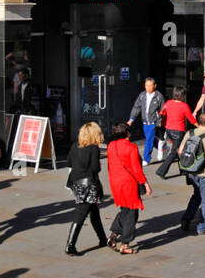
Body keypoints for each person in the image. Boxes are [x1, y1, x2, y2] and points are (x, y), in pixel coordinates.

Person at [64, 121, 108, 255]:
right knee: (82, 212)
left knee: (94, 211)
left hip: (76, 182)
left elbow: (69, 163)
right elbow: (95, 168)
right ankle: (70, 245)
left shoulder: (74, 146)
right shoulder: (94, 148)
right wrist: (98, 164)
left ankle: (102, 239)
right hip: (88, 184)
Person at [106, 121, 150, 253]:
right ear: (127, 133)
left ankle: (113, 235)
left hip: (115, 181)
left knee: (125, 209)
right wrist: (145, 183)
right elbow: (136, 169)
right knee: (131, 213)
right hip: (128, 183)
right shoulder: (131, 147)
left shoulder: (111, 146)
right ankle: (125, 244)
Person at [178, 111, 205, 235]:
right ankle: (204, 226)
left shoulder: (190, 133)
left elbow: (180, 151)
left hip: (192, 172)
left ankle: (186, 219)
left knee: (196, 196)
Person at [156, 87, 197, 179]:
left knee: (180, 149)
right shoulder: (184, 106)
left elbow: (161, 113)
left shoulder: (168, 103)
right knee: (175, 152)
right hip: (179, 131)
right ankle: (161, 171)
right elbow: (191, 119)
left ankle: (183, 170)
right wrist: (200, 126)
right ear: (182, 96)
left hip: (169, 130)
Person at [128, 77, 166, 165]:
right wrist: (131, 119)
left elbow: (163, 110)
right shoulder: (142, 95)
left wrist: (159, 121)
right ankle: (162, 146)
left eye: (150, 85)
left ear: (155, 86)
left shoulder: (159, 96)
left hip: (154, 122)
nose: (148, 87)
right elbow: (136, 107)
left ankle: (146, 159)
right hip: (145, 122)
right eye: (146, 85)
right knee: (150, 139)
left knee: (148, 140)